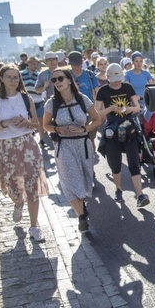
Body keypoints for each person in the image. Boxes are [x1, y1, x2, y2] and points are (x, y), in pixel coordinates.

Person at [0, 64, 48, 243]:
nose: (13, 80)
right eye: (9, 77)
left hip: (28, 144)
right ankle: (18, 203)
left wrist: (26, 123)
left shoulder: (26, 98)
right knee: (13, 186)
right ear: (1, 79)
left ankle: (34, 226)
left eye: (16, 77)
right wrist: (5, 123)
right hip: (7, 147)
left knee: (32, 187)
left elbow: (37, 124)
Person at [43, 68, 101, 232]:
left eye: (60, 78)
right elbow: (46, 125)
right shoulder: (51, 103)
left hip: (83, 145)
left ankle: (81, 208)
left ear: (69, 80)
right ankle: (82, 217)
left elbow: (96, 120)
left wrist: (85, 128)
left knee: (83, 180)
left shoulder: (83, 99)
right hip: (64, 146)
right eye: (54, 80)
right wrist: (60, 130)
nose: (57, 82)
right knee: (70, 181)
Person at [95, 63, 150, 207]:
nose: (117, 82)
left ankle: (140, 195)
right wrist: (111, 108)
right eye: (114, 79)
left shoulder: (127, 87)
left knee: (134, 162)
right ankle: (118, 189)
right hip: (112, 129)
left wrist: (129, 109)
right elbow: (96, 113)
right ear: (107, 78)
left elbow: (138, 108)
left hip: (128, 125)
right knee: (115, 164)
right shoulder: (103, 91)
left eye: (119, 78)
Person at [35, 52, 61, 147]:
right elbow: (37, 90)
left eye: (54, 59)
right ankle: (56, 146)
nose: (52, 62)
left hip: (64, 103)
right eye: (49, 60)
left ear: (57, 60)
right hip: (50, 104)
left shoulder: (64, 72)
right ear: (45, 62)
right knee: (51, 127)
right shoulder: (42, 75)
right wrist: (44, 87)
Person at [21, 56, 45, 142]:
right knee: (27, 121)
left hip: (38, 100)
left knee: (40, 121)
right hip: (26, 102)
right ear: (28, 63)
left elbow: (43, 88)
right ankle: (29, 139)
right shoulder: (21, 74)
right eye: (33, 63)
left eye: (37, 64)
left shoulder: (39, 75)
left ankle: (42, 139)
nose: (35, 65)